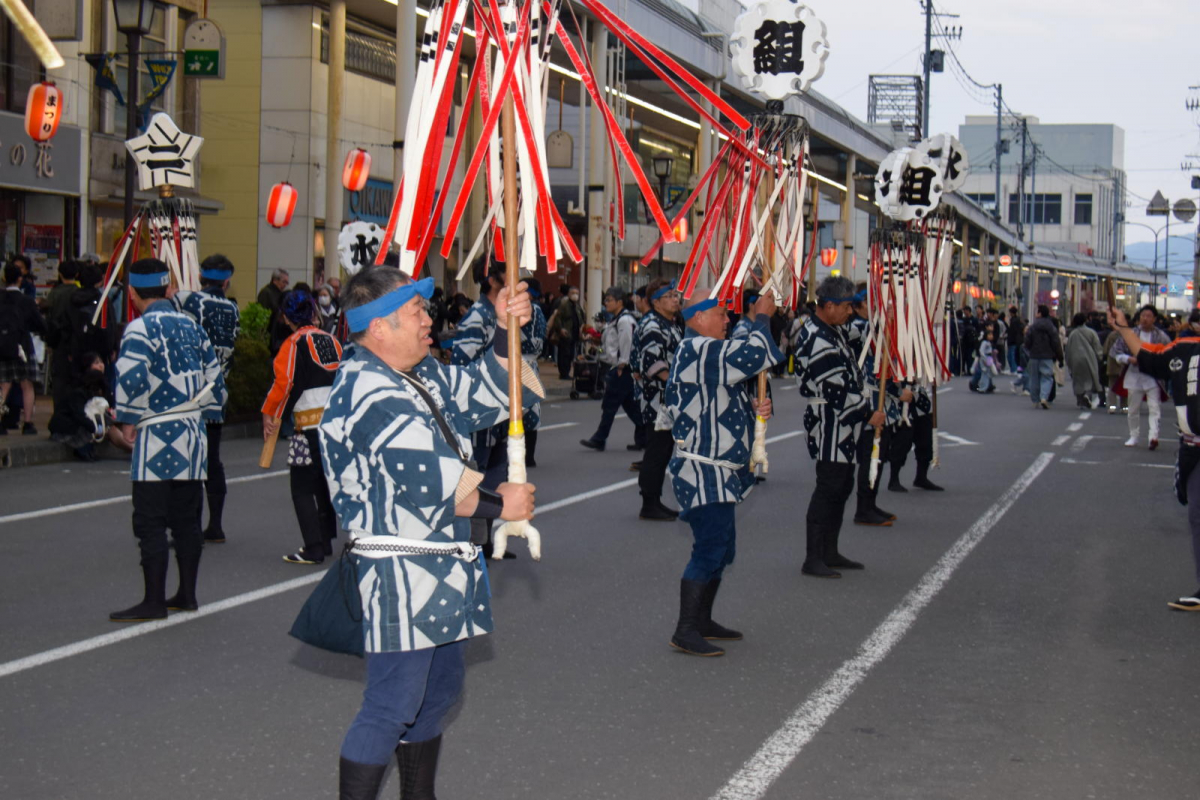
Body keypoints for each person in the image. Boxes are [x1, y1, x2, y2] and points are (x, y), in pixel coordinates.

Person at [319, 265, 538, 798]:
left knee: (436, 695)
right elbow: (432, 481)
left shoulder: (419, 372)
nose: (427, 320)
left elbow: (488, 389)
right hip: (397, 572)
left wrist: (510, 328)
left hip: (438, 565)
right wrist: (499, 503)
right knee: (391, 705)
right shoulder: (367, 389)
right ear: (377, 328)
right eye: (414, 311)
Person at [663, 292, 781, 657]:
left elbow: (719, 402)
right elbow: (753, 356)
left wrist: (755, 405)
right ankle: (685, 629)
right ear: (697, 319)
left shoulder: (707, 352)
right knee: (711, 547)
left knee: (722, 549)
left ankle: (701, 620)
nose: (727, 320)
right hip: (702, 470)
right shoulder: (696, 349)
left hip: (716, 470)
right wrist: (761, 318)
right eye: (719, 314)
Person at [109, 258, 226, 621]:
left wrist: (127, 420)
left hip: (156, 434)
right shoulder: (194, 328)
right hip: (193, 435)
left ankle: (153, 600)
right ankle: (187, 593)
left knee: (150, 520)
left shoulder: (139, 329)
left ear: (131, 294)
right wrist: (206, 414)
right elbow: (216, 384)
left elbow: (131, 378)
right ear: (168, 288)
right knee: (186, 519)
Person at [1107, 306, 1200, 610]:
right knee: (1197, 516)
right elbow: (1150, 355)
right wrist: (1123, 328)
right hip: (1194, 446)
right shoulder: (1184, 349)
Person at [793, 276, 886, 578]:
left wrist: (886, 320)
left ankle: (829, 551)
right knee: (829, 487)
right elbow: (834, 390)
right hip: (830, 420)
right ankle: (813, 556)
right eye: (846, 306)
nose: (851, 312)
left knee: (842, 485)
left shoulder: (830, 328)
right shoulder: (817, 336)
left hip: (841, 421)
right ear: (828, 305)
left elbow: (861, 332)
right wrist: (867, 413)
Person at [263, 290, 342, 564]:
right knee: (323, 483)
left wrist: (271, 414)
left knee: (301, 487)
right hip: (333, 423)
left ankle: (313, 546)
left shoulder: (294, 342)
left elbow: (283, 384)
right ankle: (326, 539)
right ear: (313, 312)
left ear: (286, 318)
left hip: (306, 423)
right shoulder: (331, 340)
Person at [174, 254, 241, 543]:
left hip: (188, 394)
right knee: (212, 461)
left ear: (201, 277)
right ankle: (216, 525)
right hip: (216, 393)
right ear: (227, 281)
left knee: (187, 460)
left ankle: (187, 527)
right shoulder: (233, 309)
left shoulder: (189, 301)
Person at [846, 288, 904, 527]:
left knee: (879, 455)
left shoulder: (873, 328)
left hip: (881, 399)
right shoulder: (859, 328)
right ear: (859, 307)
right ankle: (863, 507)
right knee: (871, 454)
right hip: (868, 401)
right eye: (872, 304)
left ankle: (870, 503)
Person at [637, 278, 683, 521]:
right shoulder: (653, 325)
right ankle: (649, 503)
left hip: (668, 398)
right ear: (656, 302)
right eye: (670, 296)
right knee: (656, 451)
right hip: (658, 399)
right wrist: (672, 382)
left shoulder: (670, 324)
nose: (675, 300)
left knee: (664, 449)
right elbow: (652, 363)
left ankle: (655, 499)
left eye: (676, 296)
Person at [580, 287, 643, 452]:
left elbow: (627, 342)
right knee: (631, 405)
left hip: (622, 368)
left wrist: (623, 363)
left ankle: (600, 438)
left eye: (609, 300)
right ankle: (645, 437)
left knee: (610, 404)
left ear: (619, 302)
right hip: (618, 366)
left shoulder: (624, 320)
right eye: (606, 300)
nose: (606, 303)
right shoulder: (616, 320)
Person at [48, 352, 129, 461]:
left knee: (115, 425)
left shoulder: (101, 387)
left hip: (84, 424)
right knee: (110, 427)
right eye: (96, 363)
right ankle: (133, 448)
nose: (101, 365)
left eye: (101, 362)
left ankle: (133, 447)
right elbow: (80, 415)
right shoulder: (78, 390)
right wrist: (96, 427)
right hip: (70, 428)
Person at [1111, 304, 1170, 449]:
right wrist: (1128, 359)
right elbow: (1115, 352)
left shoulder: (1160, 336)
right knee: (1133, 408)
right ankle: (1134, 435)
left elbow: (1169, 353)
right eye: (1143, 315)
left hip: (1153, 377)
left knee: (1154, 407)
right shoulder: (1131, 334)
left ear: (1154, 319)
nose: (1145, 319)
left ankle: (1153, 436)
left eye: (1149, 316)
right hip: (1134, 374)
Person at [0, 262, 46, 435]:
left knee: (4, 385)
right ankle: (27, 423)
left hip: (3, 346)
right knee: (27, 385)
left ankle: (0, 421)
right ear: (20, 279)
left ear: (5, 278)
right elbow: (39, 324)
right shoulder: (26, 301)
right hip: (24, 347)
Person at [887, 382, 942, 492]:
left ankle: (921, 477)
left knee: (926, 440)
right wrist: (899, 390)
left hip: (920, 401)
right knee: (902, 442)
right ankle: (894, 479)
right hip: (901, 403)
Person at [44, 260, 80, 413]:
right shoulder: (78, 293)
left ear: (60, 274)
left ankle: (59, 413)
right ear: (77, 274)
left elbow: (47, 315)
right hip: (75, 340)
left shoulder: (55, 293)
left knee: (59, 379)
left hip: (58, 340)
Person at [1023, 304, 1063, 409]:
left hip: (1034, 355)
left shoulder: (1033, 327)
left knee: (1034, 378)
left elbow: (1027, 342)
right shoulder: (1051, 327)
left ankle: (1035, 400)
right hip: (1047, 356)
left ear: (1040, 313)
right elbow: (1056, 343)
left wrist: (1029, 350)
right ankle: (1044, 397)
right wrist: (1060, 357)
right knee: (1047, 377)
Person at [1066, 312, 1104, 410]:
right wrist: (1100, 357)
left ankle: (1081, 400)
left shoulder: (1073, 334)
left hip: (1075, 358)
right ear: (1085, 320)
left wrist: (1068, 361)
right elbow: (1097, 346)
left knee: (1078, 380)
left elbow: (1068, 349)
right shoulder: (1091, 332)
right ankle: (1087, 395)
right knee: (1089, 380)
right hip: (1089, 358)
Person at [548, 284, 584, 380]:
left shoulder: (577, 306)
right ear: (568, 294)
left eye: (576, 293)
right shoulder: (564, 305)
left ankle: (566, 372)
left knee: (571, 354)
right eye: (573, 293)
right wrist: (560, 329)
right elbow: (558, 318)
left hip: (574, 333)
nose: (575, 295)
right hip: (566, 334)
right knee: (564, 354)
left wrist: (582, 329)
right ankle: (564, 373)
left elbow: (581, 318)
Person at [969, 329, 998, 393]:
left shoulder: (989, 342)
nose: (991, 336)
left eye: (991, 335)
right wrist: (984, 358)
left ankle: (988, 385)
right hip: (985, 358)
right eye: (989, 335)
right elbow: (981, 351)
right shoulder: (984, 342)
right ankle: (982, 387)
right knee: (985, 373)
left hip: (989, 358)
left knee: (991, 372)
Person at [1007, 307, 1025, 374]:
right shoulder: (1016, 320)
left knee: (1012, 355)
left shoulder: (1014, 321)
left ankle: (1013, 369)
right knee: (1011, 355)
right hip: (1014, 340)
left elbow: (1013, 331)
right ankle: (1013, 369)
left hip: (1013, 340)